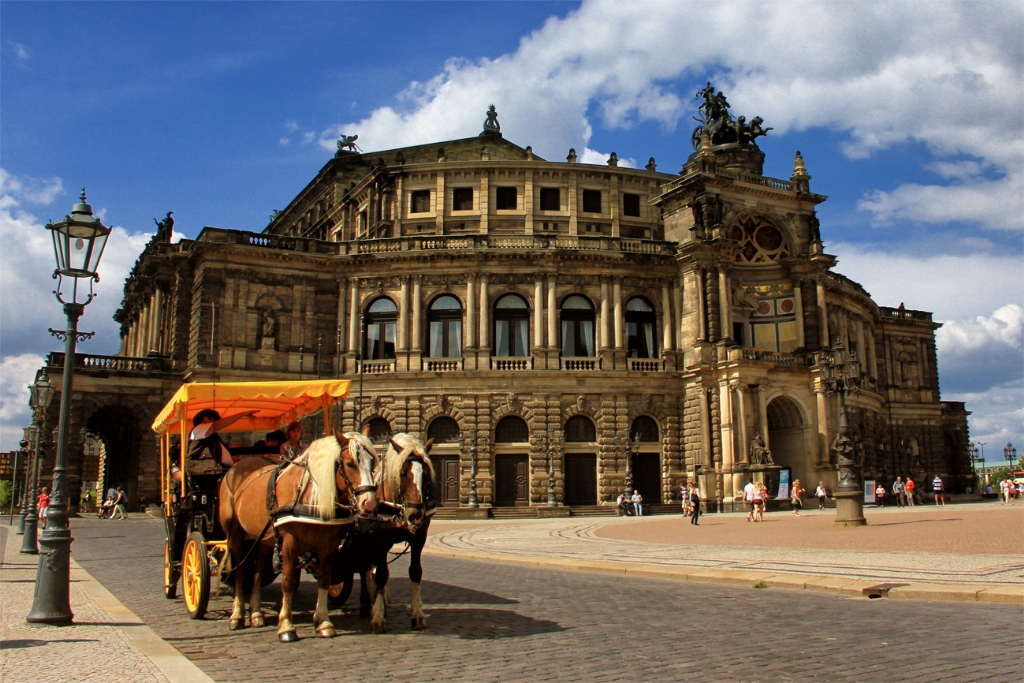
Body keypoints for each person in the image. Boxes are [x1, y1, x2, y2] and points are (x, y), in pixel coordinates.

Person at [188, 408, 257, 473]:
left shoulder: (211, 436)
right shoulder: (197, 430)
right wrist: (241, 414)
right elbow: (218, 425)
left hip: (217, 471)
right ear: (206, 419)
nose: (216, 424)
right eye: (215, 421)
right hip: (206, 472)